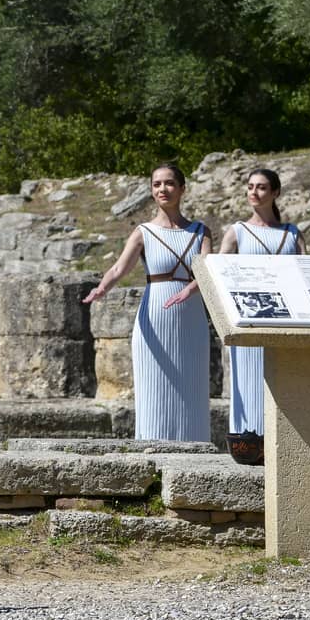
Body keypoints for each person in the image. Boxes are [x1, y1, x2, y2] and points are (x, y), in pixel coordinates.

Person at [84, 164, 212, 442]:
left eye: (168, 184)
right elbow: (119, 268)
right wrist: (101, 288)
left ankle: (195, 445)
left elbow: (207, 272)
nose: (162, 189)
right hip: (155, 313)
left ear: (182, 189)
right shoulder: (144, 232)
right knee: (154, 386)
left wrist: (188, 291)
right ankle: (152, 447)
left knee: (192, 385)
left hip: (190, 317)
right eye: (156, 184)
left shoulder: (201, 232)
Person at [217, 169, 305, 443]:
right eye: (251, 187)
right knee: (249, 378)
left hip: (287, 316)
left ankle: (285, 442)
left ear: (275, 193)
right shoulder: (237, 232)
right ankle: (248, 443)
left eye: (262, 187)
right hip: (248, 316)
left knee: (284, 379)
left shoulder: (291, 233)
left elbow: (306, 274)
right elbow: (218, 276)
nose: (254, 192)